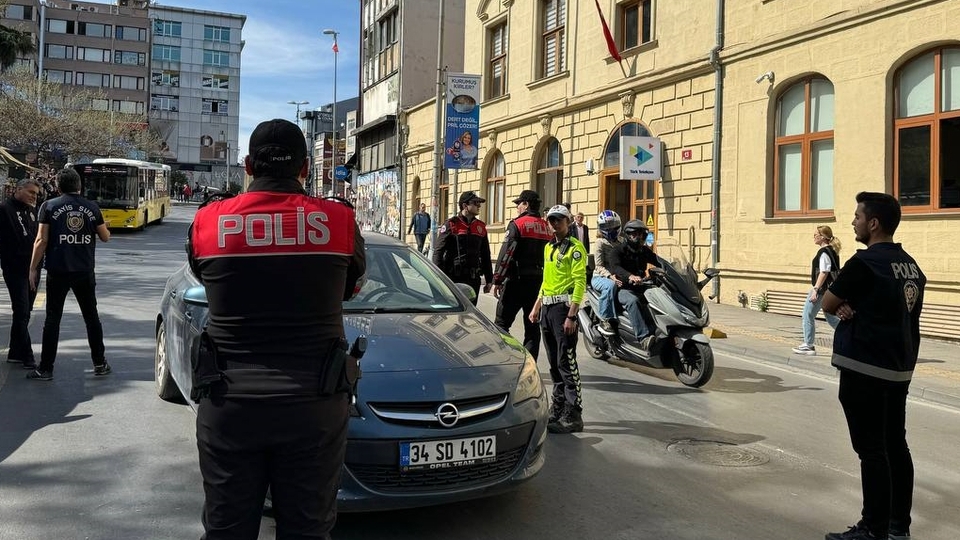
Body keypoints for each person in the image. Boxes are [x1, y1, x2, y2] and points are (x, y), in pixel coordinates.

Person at [187, 118, 366, 540]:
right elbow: (350, 289)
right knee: (307, 530)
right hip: (314, 407)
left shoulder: (209, 222)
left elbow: (203, 279)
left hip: (229, 404)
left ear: (248, 165)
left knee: (226, 530)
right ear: (305, 169)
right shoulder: (338, 221)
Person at [822, 192, 925, 540]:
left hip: (864, 366)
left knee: (871, 451)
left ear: (874, 223)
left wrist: (842, 305)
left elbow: (828, 300)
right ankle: (899, 527)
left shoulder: (864, 262)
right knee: (896, 445)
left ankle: (873, 528)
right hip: (898, 369)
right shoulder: (910, 264)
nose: (853, 222)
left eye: (857, 216)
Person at [26, 168, 111, 381]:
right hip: (84, 271)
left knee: (53, 319)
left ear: (58, 186)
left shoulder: (49, 206)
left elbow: (41, 240)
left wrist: (32, 268)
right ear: (79, 186)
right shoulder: (92, 207)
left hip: (58, 270)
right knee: (91, 317)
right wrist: (103, 228)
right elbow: (105, 237)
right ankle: (99, 363)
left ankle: (45, 368)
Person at [528, 204, 588, 434]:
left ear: (569, 221)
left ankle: (574, 413)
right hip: (548, 309)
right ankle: (559, 406)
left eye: (559, 220)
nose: (555, 224)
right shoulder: (548, 247)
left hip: (564, 310)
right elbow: (546, 280)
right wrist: (536, 307)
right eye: (552, 220)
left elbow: (579, 283)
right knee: (553, 363)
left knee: (567, 362)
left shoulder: (575, 248)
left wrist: (572, 315)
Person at [492, 189, 552, 359]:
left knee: (501, 324)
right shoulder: (547, 228)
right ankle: (530, 363)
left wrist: (497, 279)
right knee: (532, 327)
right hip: (538, 284)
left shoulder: (517, 225)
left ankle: (503, 359)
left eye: (519, 204)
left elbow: (506, 255)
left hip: (515, 282)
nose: (517, 207)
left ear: (526, 205)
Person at [0, 179, 41, 369]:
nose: (34, 196)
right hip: (14, 267)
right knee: (22, 311)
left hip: (33, 267)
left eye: (36, 194)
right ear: (18, 189)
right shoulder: (4, 209)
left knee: (25, 312)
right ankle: (27, 355)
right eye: (31, 192)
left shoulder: (32, 211)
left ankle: (15, 352)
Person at [607, 219, 660, 349]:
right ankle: (643, 338)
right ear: (628, 235)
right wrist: (630, 276)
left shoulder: (643, 250)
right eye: (636, 234)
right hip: (624, 288)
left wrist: (672, 268)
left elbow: (657, 260)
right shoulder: (617, 250)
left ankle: (658, 332)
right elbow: (616, 268)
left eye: (641, 234)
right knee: (633, 301)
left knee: (658, 300)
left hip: (642, 286)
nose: (639, 237)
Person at [433, 191, 493, 304]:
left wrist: (489, 279)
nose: (479, 206)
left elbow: (485, 254)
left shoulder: (480, 226)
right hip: (453, 278)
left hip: (473, 279)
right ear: (465, 205)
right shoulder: (451, 224)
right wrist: (438, 277)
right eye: (475, 203)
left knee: (470, 313)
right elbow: (438, 251)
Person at [793, 225, 842, 355]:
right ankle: (850, 336)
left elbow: (824, 272)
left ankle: (808, 345)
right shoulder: (833, 251)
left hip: (821, 290)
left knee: (807, 315)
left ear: (822, 237)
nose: (813, 237)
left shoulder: (824, 252)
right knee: (831, 317)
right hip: (830, 289)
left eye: (815, 235)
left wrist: (815, 289)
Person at [591, 210, 623, 334]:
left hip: (619, 275)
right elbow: (599, 266)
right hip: (601, 277)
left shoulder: (622, 242)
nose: (610, 229)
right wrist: (610, 276)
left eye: (613, 226)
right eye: (606, 226)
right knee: (610, 286)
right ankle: (605, 319)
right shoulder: (600, 243)